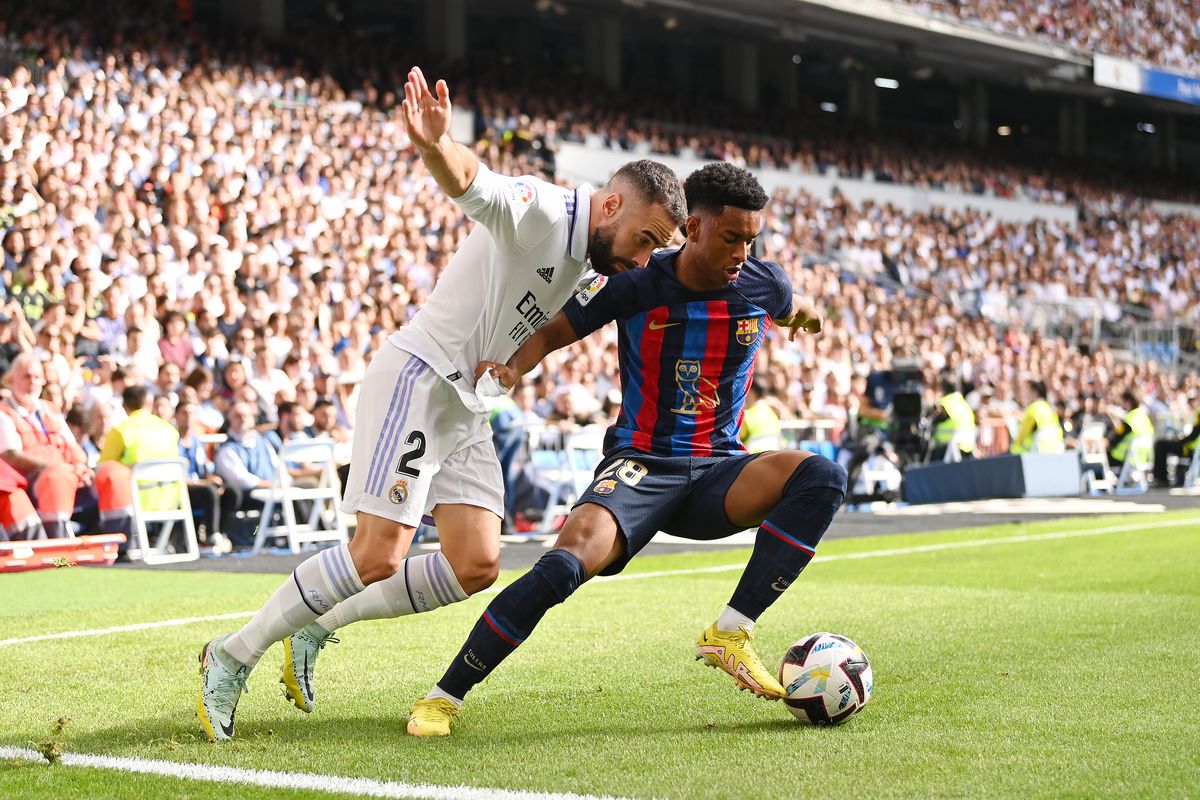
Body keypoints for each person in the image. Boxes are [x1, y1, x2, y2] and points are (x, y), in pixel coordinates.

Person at [194, 66, 686, 742]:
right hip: (418, 379)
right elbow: (473, 184)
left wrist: (512, 365)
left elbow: (538, 319)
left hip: (467, 402)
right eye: (647, 240)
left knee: (476, 561)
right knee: (377, 554)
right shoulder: (543, 210)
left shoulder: (588, 255)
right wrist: (435, 144)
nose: (644, 258)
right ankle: (230, 655)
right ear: (610, 207)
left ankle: (314, 626)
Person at [405, 162, 840, 736]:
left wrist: (803, 316)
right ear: (693, 228)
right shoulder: (639, 282)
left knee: (822, 477)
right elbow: (554, 330)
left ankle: (731, 631)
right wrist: (512, 368)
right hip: (641, 466)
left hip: (719, 474)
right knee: (560, 568)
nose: (743, 250)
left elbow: (786, 305)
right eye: (731, 237)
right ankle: (444, 696)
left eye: (752, 239)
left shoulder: (764, 283)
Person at [98, 385, 182, 539]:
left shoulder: (121, 430)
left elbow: (103, 468)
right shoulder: (170, 429)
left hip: (135, 500)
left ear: (124, 406)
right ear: (149, 404)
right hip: (172, 499)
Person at [1152, 394, 1199, 487]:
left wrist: (1182, 440)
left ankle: (1161, 479)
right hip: (1192, 448)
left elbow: (1195, 433)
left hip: (1190, 449)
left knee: (1160, 444)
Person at [927, 376, 976, 462]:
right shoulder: (964, 403)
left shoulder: (944, 403)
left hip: (949, 450)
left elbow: (933, 419)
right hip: (967, 447)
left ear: (942, 388)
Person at [1010, 379, 1064, 455]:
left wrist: (1013, 450)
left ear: (1035, 392)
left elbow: (1023, 433)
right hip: (1057, 449)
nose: (1026, 394)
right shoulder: (1048, 407)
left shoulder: (1033, 408)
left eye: (1028, 391)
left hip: (1040, 451)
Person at [1107, 389, 1154, 469]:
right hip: (1144, 458)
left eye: (1122, 402)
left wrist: (1108, 444)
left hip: (1126, 459)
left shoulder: (1129, 419)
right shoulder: (1144, 416)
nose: (1121, 405)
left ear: (1128, 402)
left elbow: (1117, 438)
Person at [739, 378, 783, 452]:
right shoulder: (772, 412)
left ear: (752, 392)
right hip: (774, 459)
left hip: (754, 460)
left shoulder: (747, 416)